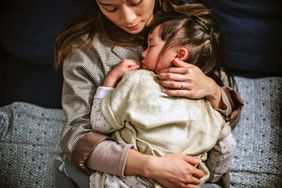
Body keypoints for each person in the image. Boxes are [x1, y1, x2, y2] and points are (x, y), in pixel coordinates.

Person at [55, 0, 243, 187]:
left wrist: (212, 90)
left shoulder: (190, 27)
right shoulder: (85, 51)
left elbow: (224, 123)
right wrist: (148, 166)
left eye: (135, 2)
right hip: (127, 172)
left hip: (192, 173)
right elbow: (76, 136)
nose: (128, 18)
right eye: (110, 7)